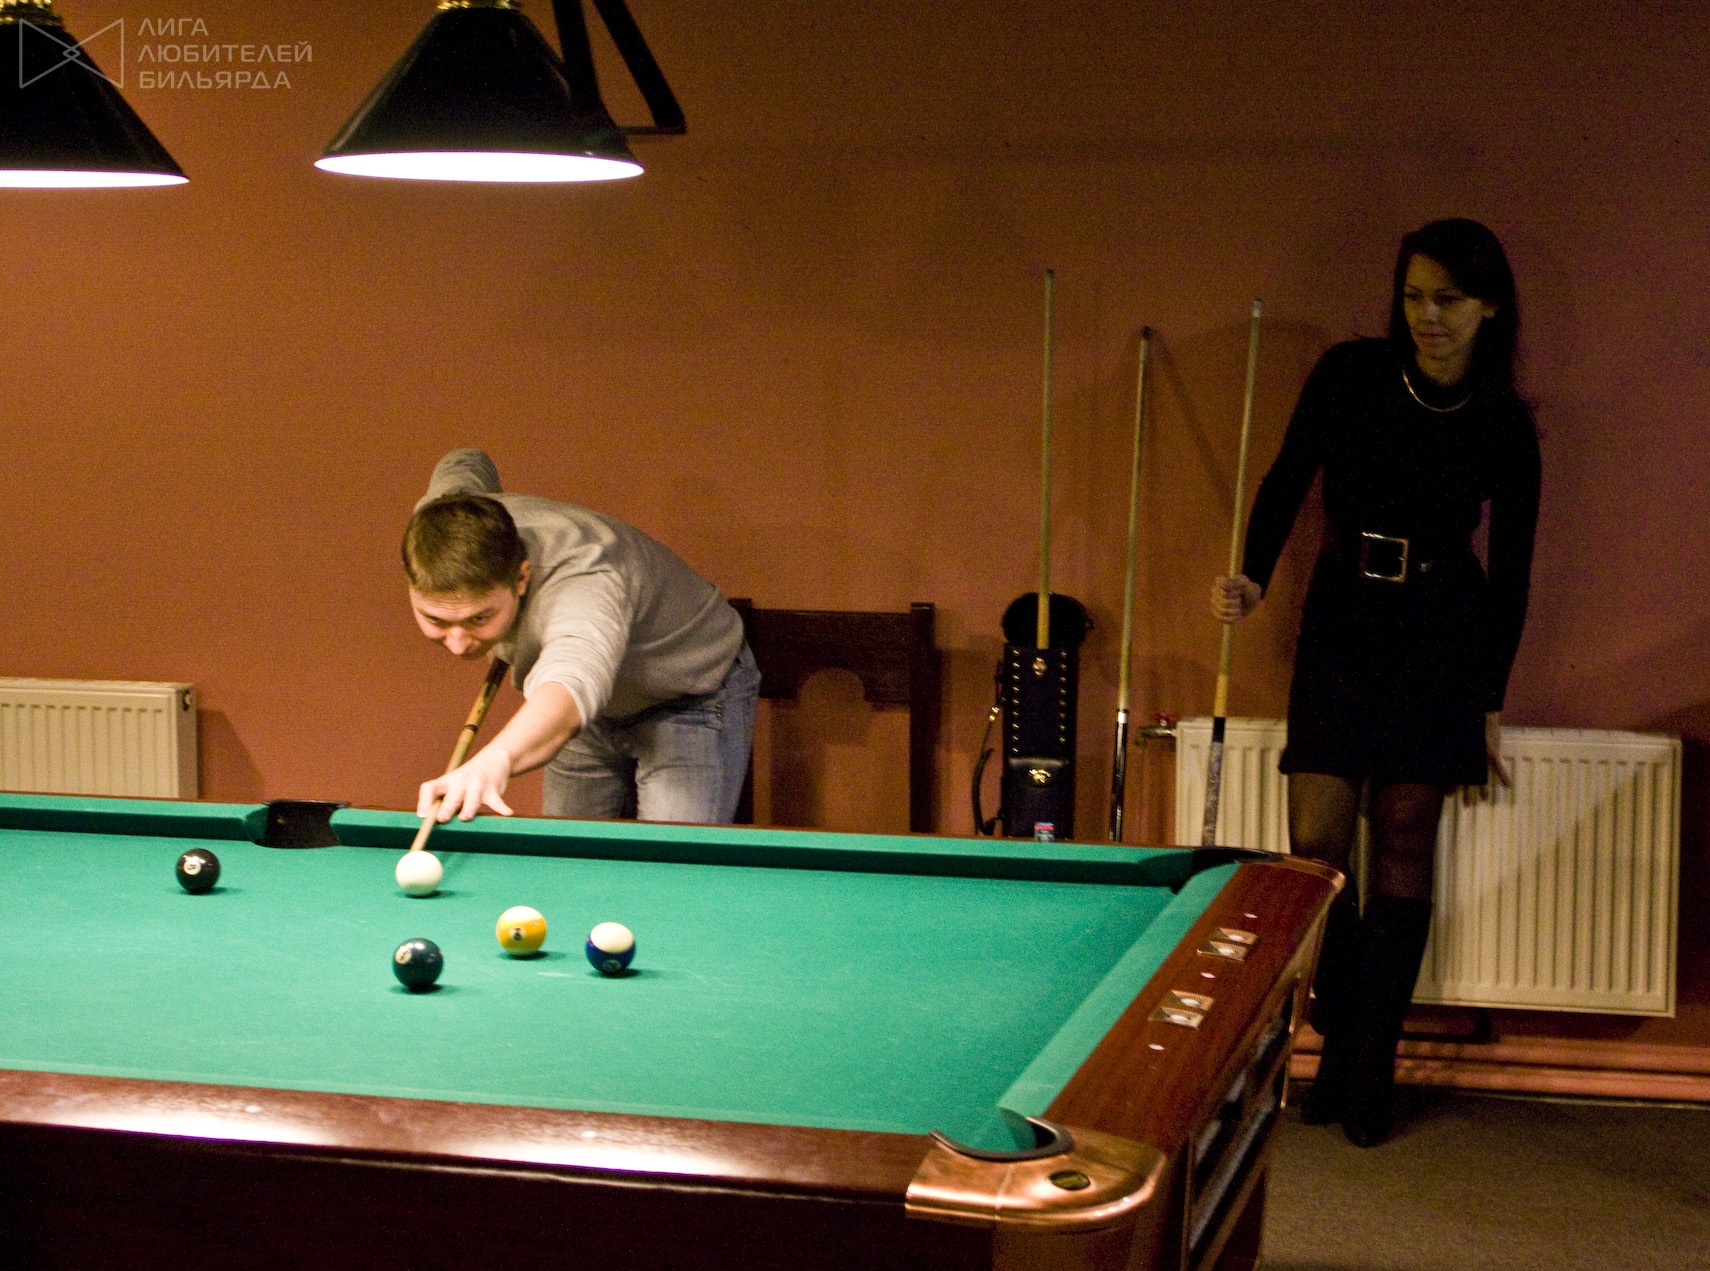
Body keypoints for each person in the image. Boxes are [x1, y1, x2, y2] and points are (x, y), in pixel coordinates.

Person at [1211, 219, 1540, 1147]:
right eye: (1413, 296)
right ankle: (1347, 1034)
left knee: (1402, 835)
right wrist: (1253, 574)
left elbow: (1513, 573)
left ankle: (1369, 1067)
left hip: (1441, 629)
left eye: (1448, 300)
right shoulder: (1351, 374)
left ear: (1489, 307)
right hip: (1344, 617)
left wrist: (1489, 698)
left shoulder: (1504, 422)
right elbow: (1287, 476)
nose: (1427, 316)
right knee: (1318, 844)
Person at [403, 449, 758, 825]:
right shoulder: (438, 521)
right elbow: (465, 462)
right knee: (564, 854)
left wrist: (496, 759)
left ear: (521, 578)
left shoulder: (585, 580)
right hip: (595, 714)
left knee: (667, 858)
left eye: (479, 618)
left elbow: (572, 680)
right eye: (436, 620)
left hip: (688, 697)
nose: (459, 644)